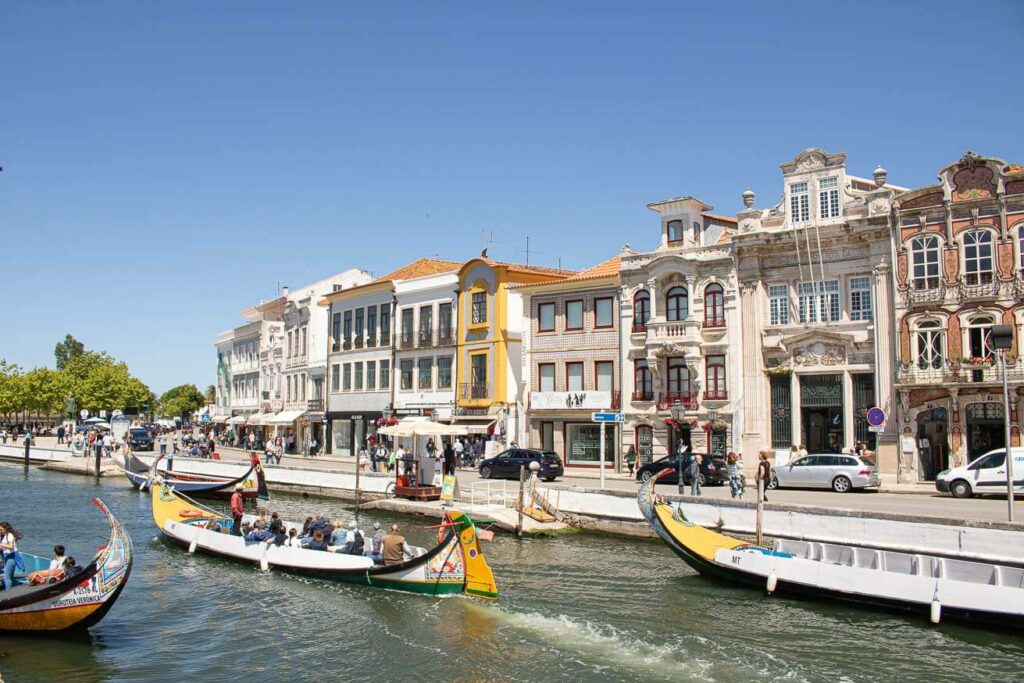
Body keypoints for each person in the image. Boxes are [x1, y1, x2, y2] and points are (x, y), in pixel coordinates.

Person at [0, 522, 23, 590]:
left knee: (6, 577)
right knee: (11, 577)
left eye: (1, 529)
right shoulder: (4, 536)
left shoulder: (10, 535)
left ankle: (8, 593)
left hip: (12, 557)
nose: (0, 531)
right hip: (7, 556)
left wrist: (1, 544)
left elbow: (11, 546)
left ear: (6, 529)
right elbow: (5, 547)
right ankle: (18, 586)